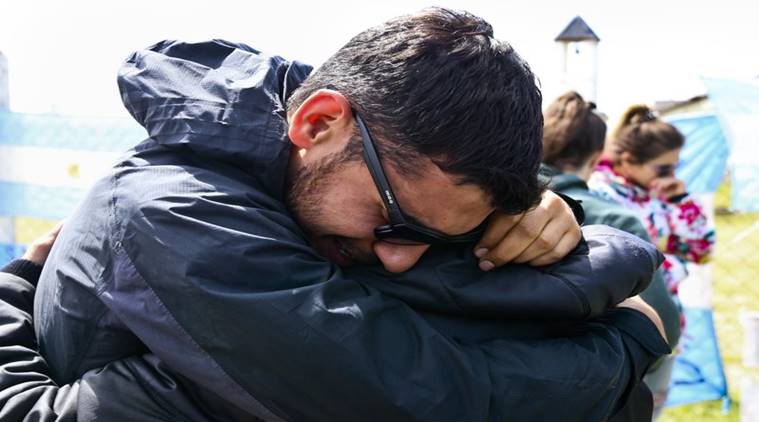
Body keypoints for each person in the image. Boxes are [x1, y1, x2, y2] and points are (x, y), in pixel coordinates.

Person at [13, 8, 667, 420]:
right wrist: (626, 340)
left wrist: (554, 214)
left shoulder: (367, 171)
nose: (399, 259)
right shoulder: (180, 212)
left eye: (440, 236)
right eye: (395, 222)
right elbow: (426, 398)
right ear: (317, 121)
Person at [540, 92, 682, 418]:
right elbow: (662, 330)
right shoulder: (616, 219)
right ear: (596, 158)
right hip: (596, 385)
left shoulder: (491, 201)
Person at [588, 105, 716, 294]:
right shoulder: (601, 194)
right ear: (628, 160)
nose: (671, 176)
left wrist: (681, 201)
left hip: (665, 304)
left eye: (675, 167)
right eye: (663, 169)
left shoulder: (661, 194)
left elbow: (702, 253)